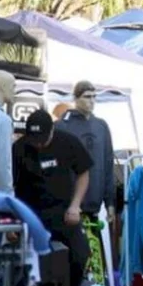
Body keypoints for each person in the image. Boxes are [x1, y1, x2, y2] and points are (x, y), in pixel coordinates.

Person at [13, 110, 92, 286]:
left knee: (80, 255)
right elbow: (9, 186)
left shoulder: (68, 142)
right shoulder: (19, 149)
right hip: (31, 215)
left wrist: (75, 205)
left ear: (52, 131)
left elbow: (83, 173)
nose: (39, 145)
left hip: (63, 213)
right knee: (32, 264)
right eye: (34, 140)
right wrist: (14, 218)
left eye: (43, 140)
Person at [56, 81, 115, 224]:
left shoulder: (101, 126)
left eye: (94, 97)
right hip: (69, 207)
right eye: (87, 97)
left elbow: (108, 165)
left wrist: (110, 203)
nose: (92, 101)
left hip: (94, 205)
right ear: (76, 99)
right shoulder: (62, 126)